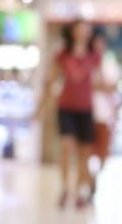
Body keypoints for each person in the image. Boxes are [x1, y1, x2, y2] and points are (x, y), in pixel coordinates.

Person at [36, 19, 100, 209]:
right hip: (66, 107)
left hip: (86, 108)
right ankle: (65, 188)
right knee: (66, 148)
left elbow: (99, 80)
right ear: (72, 32)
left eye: (86, 30)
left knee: (84, 153)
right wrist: (40, 106)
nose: (82, 33)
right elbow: (51, 80)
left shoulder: (94, 56)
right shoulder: (63, 55)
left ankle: (81, 191)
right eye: (79, 29)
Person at [90, 32, 121, 194]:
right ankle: (87, 180)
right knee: (87, 150)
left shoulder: (109, 64)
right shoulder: (86, 62)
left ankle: (95, 177)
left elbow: (112, 87)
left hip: (104, 114)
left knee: (103, 151)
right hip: (87, 112)